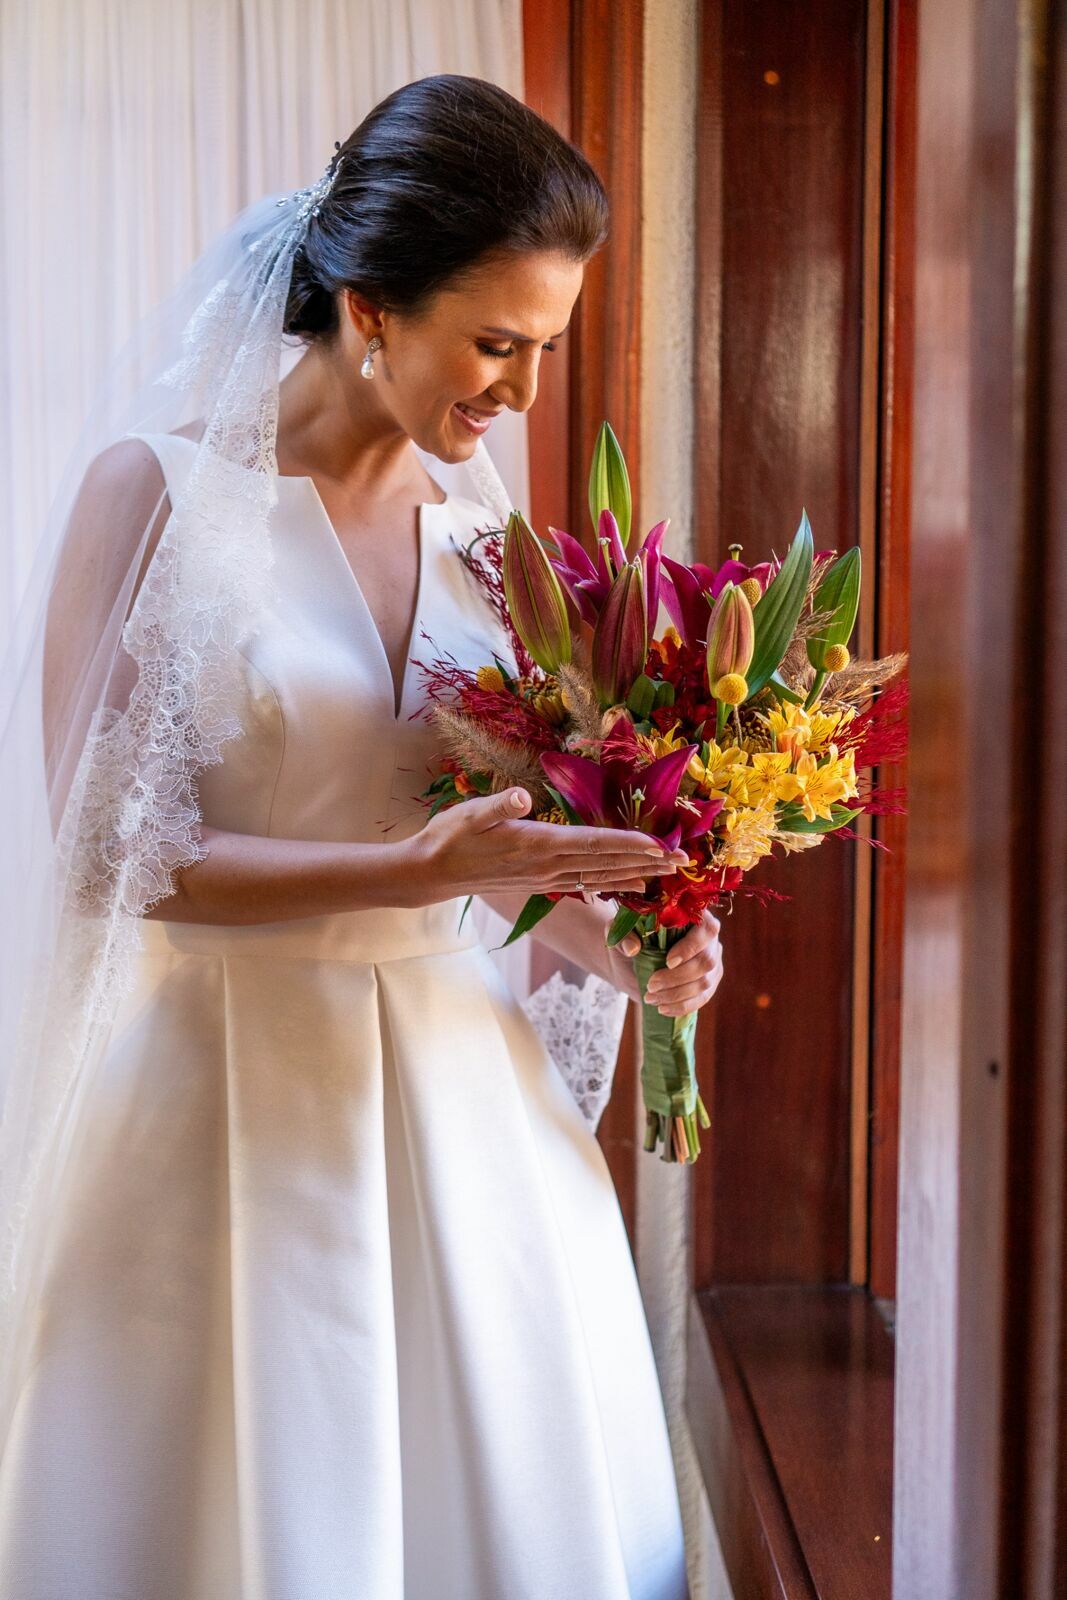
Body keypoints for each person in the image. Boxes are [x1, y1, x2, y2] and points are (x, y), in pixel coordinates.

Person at [0, 74, 722, 1598]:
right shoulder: (156, 493)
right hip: (222, 1097)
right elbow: (102, 858)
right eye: (497, 343)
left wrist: (636, 944)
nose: (523, 393)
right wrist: (406, 875)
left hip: (476, 1110)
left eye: (546, 348)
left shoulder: (500, 549)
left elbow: (521, 860)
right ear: (370, 309)